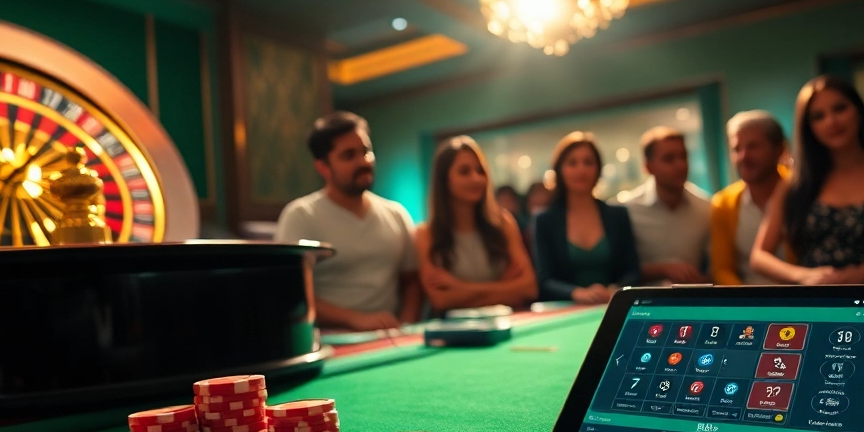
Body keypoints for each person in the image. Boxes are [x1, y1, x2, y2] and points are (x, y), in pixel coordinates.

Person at [751, 76, 864, 284]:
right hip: (815, 300)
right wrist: (803, 276)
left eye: (840, 108)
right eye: (818, 116)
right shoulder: (794, 183)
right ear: (808, 127)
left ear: (858, 109)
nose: (832, 121)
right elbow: (759, 256)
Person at [275, 111, 422, 330]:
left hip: (391, 339)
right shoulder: (301, 215)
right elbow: (290, 291)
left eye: (366, 151)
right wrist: (355, 319)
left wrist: (405, 326)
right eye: (348, 155)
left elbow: (411, 283)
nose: (363, 161)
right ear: (323, 167)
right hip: (331, 343)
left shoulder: (397, 214)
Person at [415, 137, 538, 312]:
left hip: (504, 326)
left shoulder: (503, 223)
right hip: (454, 333)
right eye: (464, 172)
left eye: (480, 171)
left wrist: (460, 287)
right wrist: (504, 287)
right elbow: (440, 300)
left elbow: (529, 288)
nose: (477, 178)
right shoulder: (425, 234)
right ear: (444, 180)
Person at [531, 132, 641, 303]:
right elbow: (544, 281)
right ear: (560, 170)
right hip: (565, 311)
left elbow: (633, 271)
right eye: (572, 163)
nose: (581, 169)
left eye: (588, 162)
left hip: (612, 305)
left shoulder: (618, 215)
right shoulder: (545, 221)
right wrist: (577, 293)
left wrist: (615, 289)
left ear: (598, 169)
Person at [623, 127, 711, 285]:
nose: (680, 165)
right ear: (648, 167)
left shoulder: (706, 208)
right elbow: (618, 270)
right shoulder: (627, 210)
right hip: (642, 303)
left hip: (692, 301)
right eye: (669, 159)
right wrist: (662, 269)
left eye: (683, 156)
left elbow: (716, 268)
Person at [710, 111, 790, 285]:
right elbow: (722, 270)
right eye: (736, 149)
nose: (743, 157)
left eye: (753, 146)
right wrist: (748, 304)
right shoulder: (723, 204)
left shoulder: (799, 190)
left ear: (779, 149)